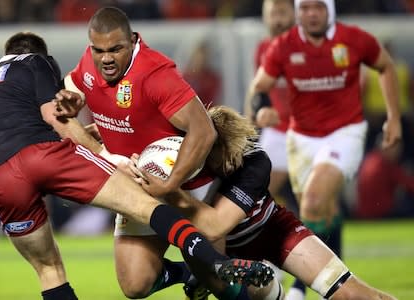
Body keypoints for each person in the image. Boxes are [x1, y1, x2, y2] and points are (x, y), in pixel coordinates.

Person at [0, 31, 273, 300]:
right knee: (145, 204)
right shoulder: (35, 62)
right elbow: (55, 117)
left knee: (49, 270)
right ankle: (216, 265)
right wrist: (106, 155)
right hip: (40, 153)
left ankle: (197, 273)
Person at [54, 6, 249, 299]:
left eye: (116, 49)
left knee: (219, 280)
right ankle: (187, 274)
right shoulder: (89, 63)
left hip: (183, 182)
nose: (106, 58)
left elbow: (204, 131)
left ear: (132, 41)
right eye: (99, 50)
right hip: (138, 183)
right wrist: (72, 100)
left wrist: (170, 184)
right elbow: (69, 93)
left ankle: (263, 290)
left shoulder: (155, 73)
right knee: (135, 283)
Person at [138, 105, 398, 300]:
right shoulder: (182, 159)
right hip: (233, 258)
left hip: (276, 231)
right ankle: (217, 277)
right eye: (223, 156)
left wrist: (170, 190)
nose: (231, 162)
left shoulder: (255, 161)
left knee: (351, 294)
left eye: (236, 153)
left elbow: (217, 224)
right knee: (262, 291)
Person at [244, 0, 402, 299]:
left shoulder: (353, 39)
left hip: (343, 133)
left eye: (318, 7)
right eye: (305, 8)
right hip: (299, 138)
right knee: (321, 211)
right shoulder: (281, 47)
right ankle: (339, 279)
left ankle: (298, 283)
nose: (311, 14)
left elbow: (384, 66)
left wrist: (393, 117)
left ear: (330, 10)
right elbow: (259, 87)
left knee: (313, 201)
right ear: (298, 12)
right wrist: (261, 108)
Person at [244, 0, 295, 212]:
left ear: (294, 14)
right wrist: (248, 124)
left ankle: (330, 244)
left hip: (310, 131)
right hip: (277, 131)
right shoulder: (264, 48)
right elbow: (256, 88)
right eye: (273, 14)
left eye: (282, 13)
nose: (277, 20)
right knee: (257, 195)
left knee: (319, 199)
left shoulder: (308, 46)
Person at [356, 136, 414, 219]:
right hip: (382, 213)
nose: (398, 152)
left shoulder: (369, 160)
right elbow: (410, 184)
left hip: (363, 213)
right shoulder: (386, 164)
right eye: (396, 148)